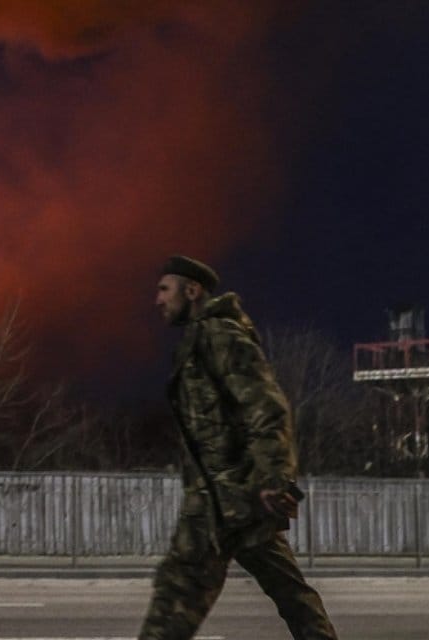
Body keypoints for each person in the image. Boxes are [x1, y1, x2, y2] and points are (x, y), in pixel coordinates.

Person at [139, 255, 338, 640]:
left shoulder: (219, 335)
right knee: (289, 595)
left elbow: (268, 407)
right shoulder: (198, 341)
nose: (157, 300)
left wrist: (273, 479)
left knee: (177, 598)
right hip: (226, 499)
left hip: (232, 499)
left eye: (164, 289)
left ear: (191, 290)